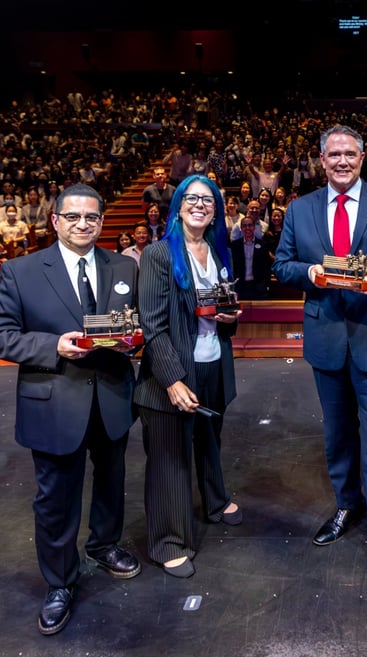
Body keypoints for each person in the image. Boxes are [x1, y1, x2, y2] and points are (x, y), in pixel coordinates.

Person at [0, 183, 142, 636]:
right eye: (73, 217)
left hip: (111, 397)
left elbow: (136, 324)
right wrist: (52, 345)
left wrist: (138, 341)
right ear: (55, 221)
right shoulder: (21, 271)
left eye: (91, 217)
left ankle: (105, 545)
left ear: (102, 221)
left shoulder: (124, 265)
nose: (83, 224)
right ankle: (59, 582)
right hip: (53, 404)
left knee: (111, 484)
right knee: (55, 500)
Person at [272, 124, 367, 592]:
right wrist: (310, 273)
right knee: (337, 434)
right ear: (322, 160)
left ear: (363, 158)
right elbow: (281, 265)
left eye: (350, 154)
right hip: (325, 339)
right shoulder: (300, 209)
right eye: (333, 154)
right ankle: (347, 503)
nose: (342, 161)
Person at [134, 175, 243, 579]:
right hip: (173, 370)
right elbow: (153, 325)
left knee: (208, 441)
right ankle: (168, 542)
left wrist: (229, 319)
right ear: (178, 205)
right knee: (170, 458)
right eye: (191, 198)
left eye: (208, 199)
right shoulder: (159, 254)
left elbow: (220, 309)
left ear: (216, 208)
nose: (200, 204)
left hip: (212, 362)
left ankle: (214, 502)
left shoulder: (218, 251)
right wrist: (172, 379)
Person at [230, 216, 272, 301]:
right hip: (240, 288)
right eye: (244, 226)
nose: (247, 228)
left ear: (254, 227)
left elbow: (267, 267)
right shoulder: (234, 246)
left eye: (250, 225)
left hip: (258, 288)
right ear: (241, 228)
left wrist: (265, 284)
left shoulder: (263, 245)